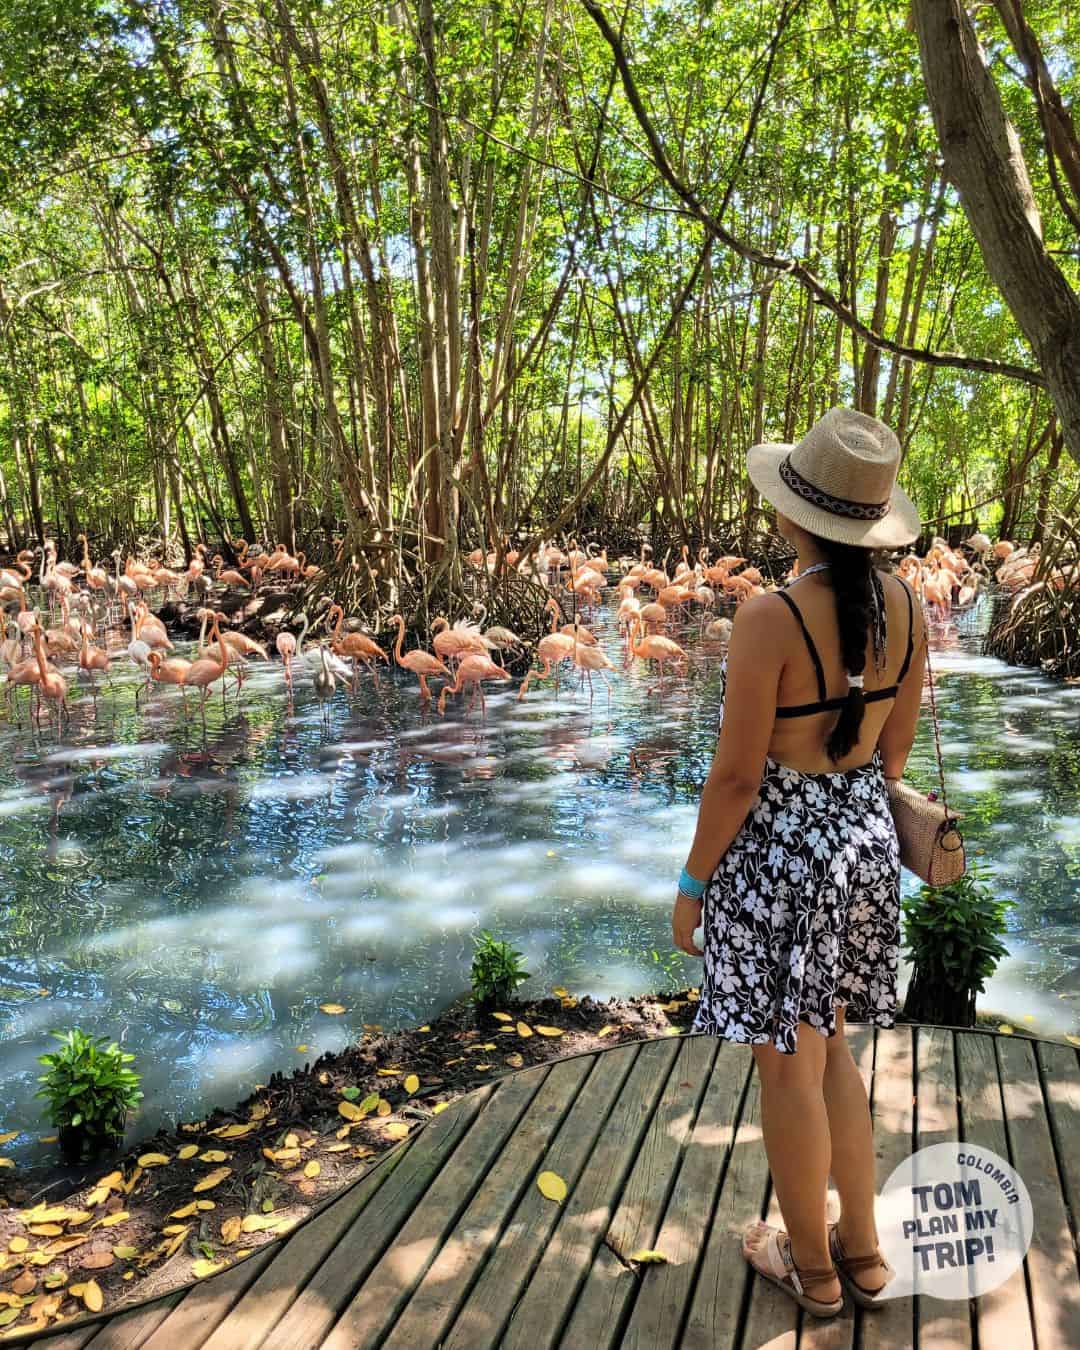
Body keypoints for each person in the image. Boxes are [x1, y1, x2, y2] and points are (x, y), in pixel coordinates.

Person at [672, 407, 926, 1318]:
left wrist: (694, 882)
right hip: (860, 852)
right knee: (833, 1057)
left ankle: (810, 1269)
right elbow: (889, 759)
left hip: (779, 858)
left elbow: (738, 777)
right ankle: (863, 1255)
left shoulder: (769, 618)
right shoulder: (908, 608)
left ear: (793, 516)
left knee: (786, 1066)